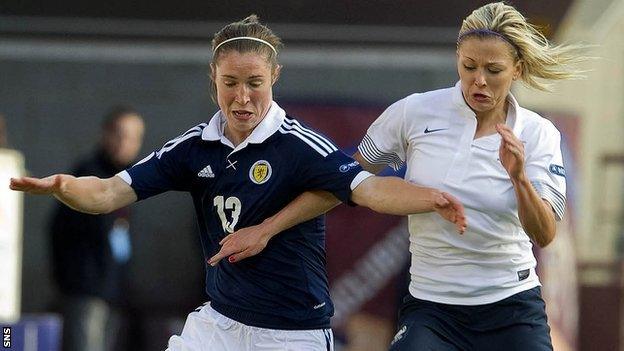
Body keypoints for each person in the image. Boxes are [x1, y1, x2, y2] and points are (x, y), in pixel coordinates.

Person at [10, 16, 466, 351]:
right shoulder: (193, 148)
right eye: (230, 82)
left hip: (292, 333)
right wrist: (65, 187)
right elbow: (110, 191)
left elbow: (368, 189)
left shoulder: (299, 145)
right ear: (213, 80)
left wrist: (433, 197)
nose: (242, 97)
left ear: (275, 79)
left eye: (254, 83)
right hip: (219, 324)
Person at [208, 3, 585, 350]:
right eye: (469, 67)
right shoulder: (415, 112)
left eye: (493, 70)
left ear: (516, 69)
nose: (479, 81)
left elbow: (545, 234)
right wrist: (268, 228)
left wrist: (518, 178)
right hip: (433, 309)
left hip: (512, 306)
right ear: (457, 58)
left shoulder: (538, 134)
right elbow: (346, 180)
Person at [49, 106, 145, 351]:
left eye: (134, 138)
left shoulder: (128, 179)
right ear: (105, 134)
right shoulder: (88, 175)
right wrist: (73, 280)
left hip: (114, 293)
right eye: (121, 135)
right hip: (86, 290)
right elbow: (58, 230)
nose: (127, 144)